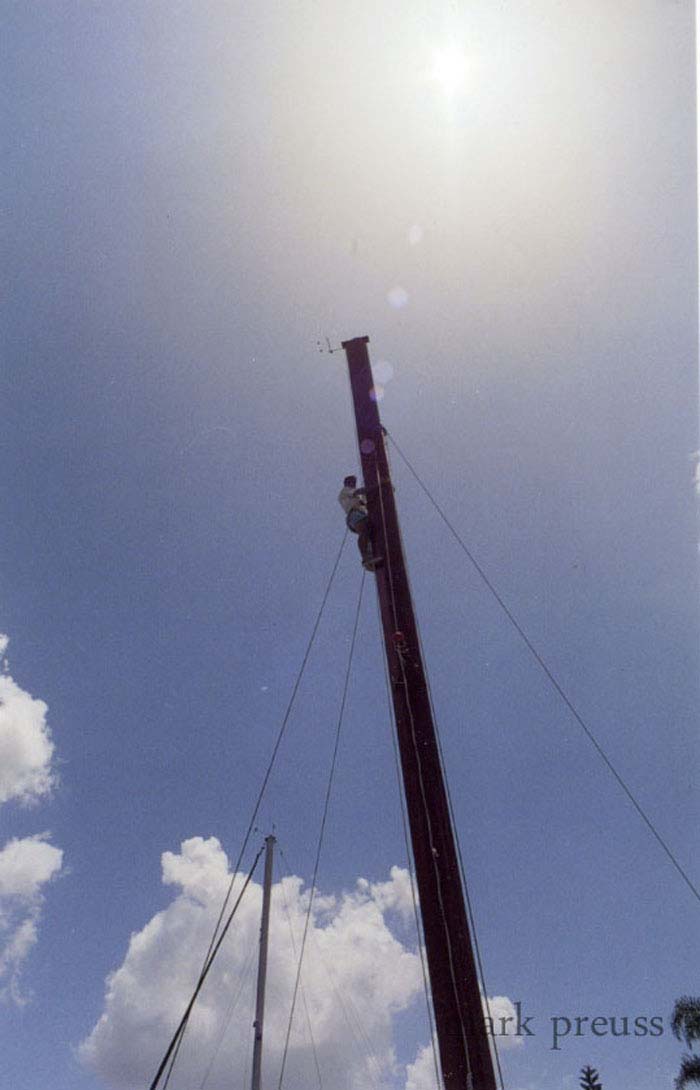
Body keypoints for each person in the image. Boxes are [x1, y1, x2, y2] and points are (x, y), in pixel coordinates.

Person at [338, 475, 382, 570]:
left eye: (354, 482)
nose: (354, 484)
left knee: (368, 532)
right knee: (364, 530)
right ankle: (366, 558)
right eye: (352, 481)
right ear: (347, 482)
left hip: (361, 513)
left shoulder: (359, 496)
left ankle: (370, 557)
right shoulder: (346, 490)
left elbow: (366, 500)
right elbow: (359, 491)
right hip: (354, 514)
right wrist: (378, 486)